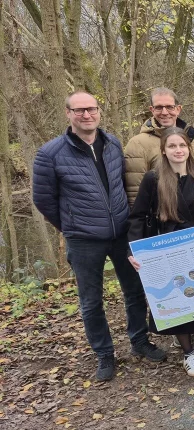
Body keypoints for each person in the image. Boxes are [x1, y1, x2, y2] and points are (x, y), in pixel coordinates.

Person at [32, 91, 166, 382]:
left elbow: (121, 183)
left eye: (91, 109)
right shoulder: (50, 153)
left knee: (135, 291)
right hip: (83, 239)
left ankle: (139, 342)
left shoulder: (112, 144)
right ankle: (105, 354)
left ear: (99, 112)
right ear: (68, 113)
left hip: (121, 233)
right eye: (79, 110)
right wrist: (71, 224)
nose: (86, 115)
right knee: (91, 301)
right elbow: (44, 200)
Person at [127, 127, 194, 377]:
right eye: (172, 146)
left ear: (189, 149)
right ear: (164, 150)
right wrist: (133, 250)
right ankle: (188, 353)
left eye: (182, 145)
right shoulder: (153, 178)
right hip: (168, 248)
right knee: (181, 298)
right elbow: (138, 216)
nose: (178, 150)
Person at [124, 87, 194, 207]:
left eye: (169, 107)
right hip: (162, 217)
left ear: (178, 109)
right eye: (159, 107)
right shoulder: (137, 144)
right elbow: (135, 195)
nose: (164, 112)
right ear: (152, 110)